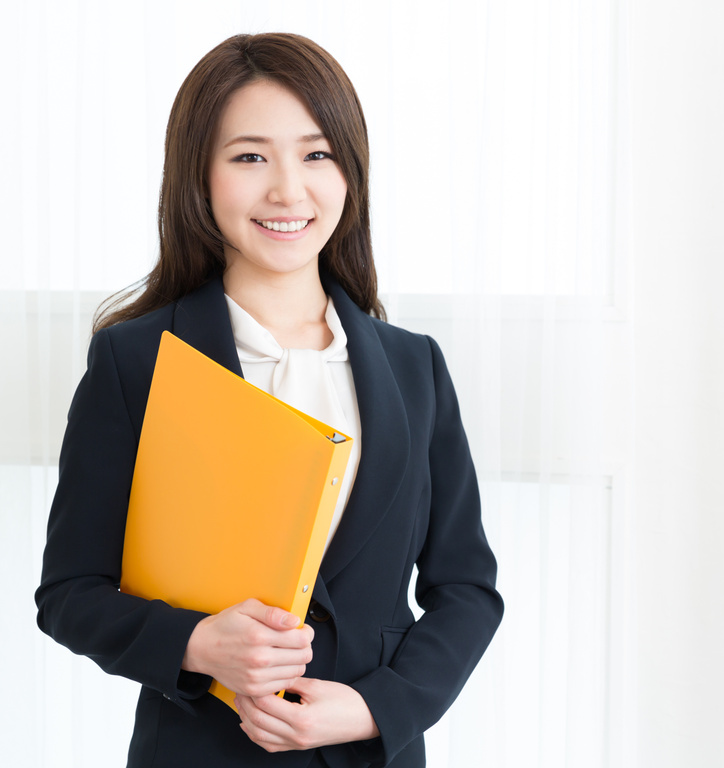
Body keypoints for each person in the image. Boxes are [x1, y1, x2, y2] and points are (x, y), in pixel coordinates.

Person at [35, 32, 503, 768]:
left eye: (316, 154)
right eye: (250, 156)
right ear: (200, 175)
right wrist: (196, 643)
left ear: (351, 171)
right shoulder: (137, 362)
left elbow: (468, 588)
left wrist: (378, 706)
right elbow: (70, 593)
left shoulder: (416, 368)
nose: (288, 189)